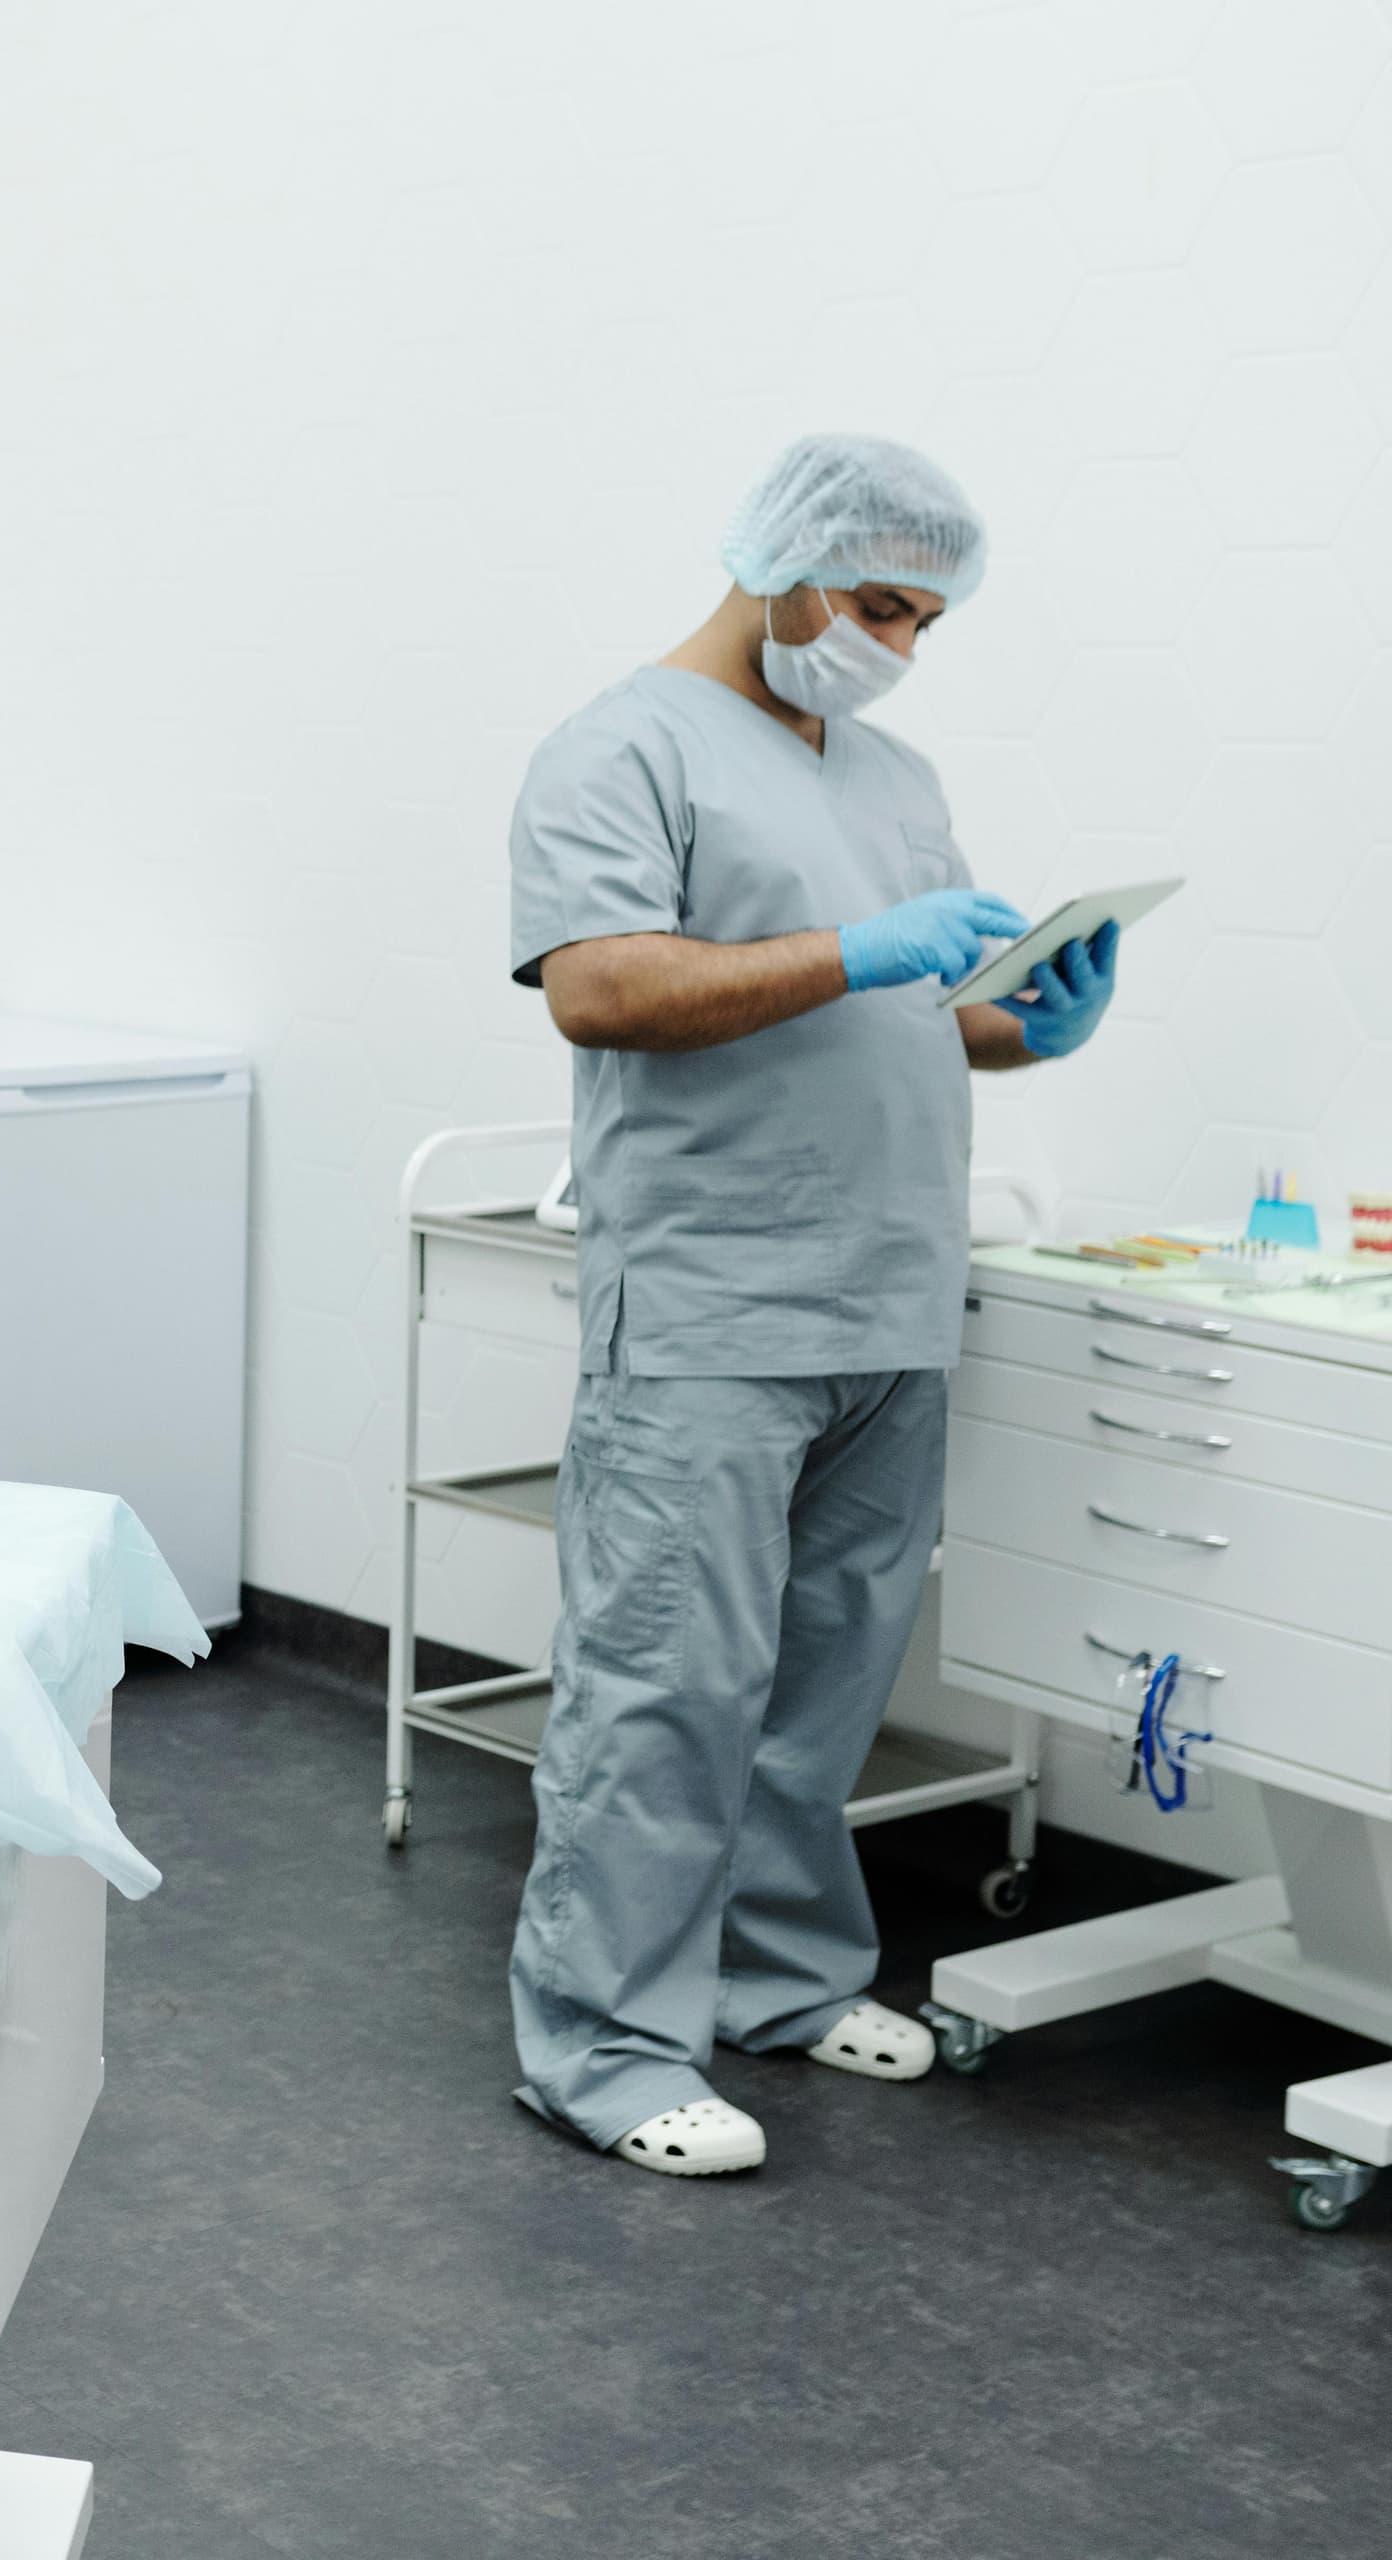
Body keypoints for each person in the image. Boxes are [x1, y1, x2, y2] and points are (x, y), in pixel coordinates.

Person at [503, 433, 1120, 2181]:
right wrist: (863, 950)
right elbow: (606, 986)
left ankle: (778, 1982)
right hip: (712, 1302)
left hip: (890, 1300)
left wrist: (1031, 1013)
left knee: (824, 1686)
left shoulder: (893, 773)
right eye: (876, 604)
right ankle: (608, 2050)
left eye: (924, 618)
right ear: (781, 562)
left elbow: (934, 1003)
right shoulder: (617, 747)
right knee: (663, 1694)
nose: (897, 643)